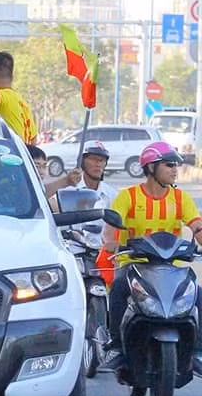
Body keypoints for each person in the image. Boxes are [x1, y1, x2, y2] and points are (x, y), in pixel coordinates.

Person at [99, 142, 202, 373]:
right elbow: (109, 229)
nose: (175, 170)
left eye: (175, 165)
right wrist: (111, 242)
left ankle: (197, 351)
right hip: (134, 264)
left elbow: (197, 225)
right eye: (169, 165)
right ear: (151, 167)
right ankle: (116, 346)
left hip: (171, 266)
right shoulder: (128, 197)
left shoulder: (180, 198)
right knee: (118, 288)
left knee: (198, 293)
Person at [77, 140, 117, 206]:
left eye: (102, 160)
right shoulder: (69, 191)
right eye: (93, 159)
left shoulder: (112, 195)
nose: (98, 164)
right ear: (82, 162)